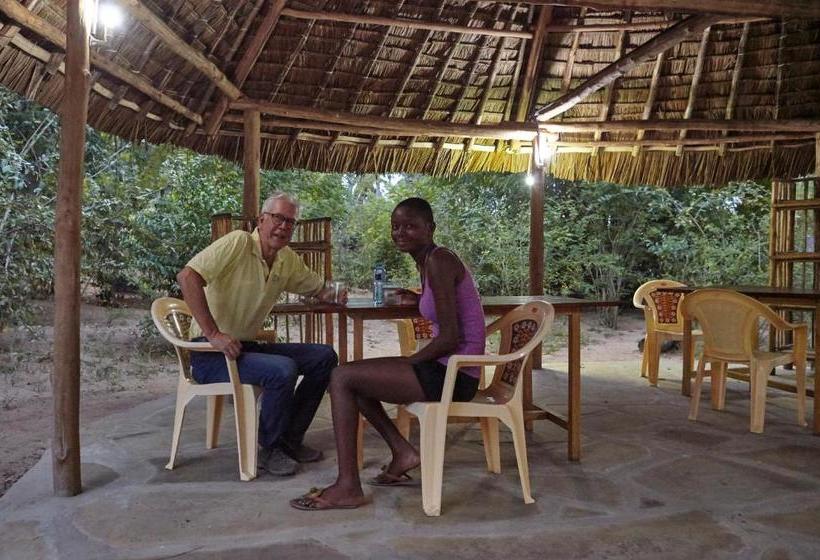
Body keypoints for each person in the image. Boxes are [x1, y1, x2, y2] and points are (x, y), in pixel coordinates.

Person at [290, 197, 485, 510]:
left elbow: (450, 337)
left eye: (410, 225)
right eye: (396, 226)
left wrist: (410, 361)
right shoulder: (428, 262)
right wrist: (418, 298)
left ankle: (348, 486)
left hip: (455, 374)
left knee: (341, 377)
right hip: (447, 368)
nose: (400, 232)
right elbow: (446, 307)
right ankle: (403, 453)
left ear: (430, 228)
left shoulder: (439, 260)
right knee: (355, 380)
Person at [177, 192, 342, 477]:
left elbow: (319, 288)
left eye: (291, 222)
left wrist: (337, 293)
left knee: (324, 357)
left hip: (245, 347)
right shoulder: (238, 243)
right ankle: (270, 448)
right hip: (209, 354)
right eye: (278, 218)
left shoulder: (285, 259)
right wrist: (213, 333)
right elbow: (188, 276)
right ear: (261, 220)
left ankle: (289, 441)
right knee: (282, 369)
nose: (283, 226)